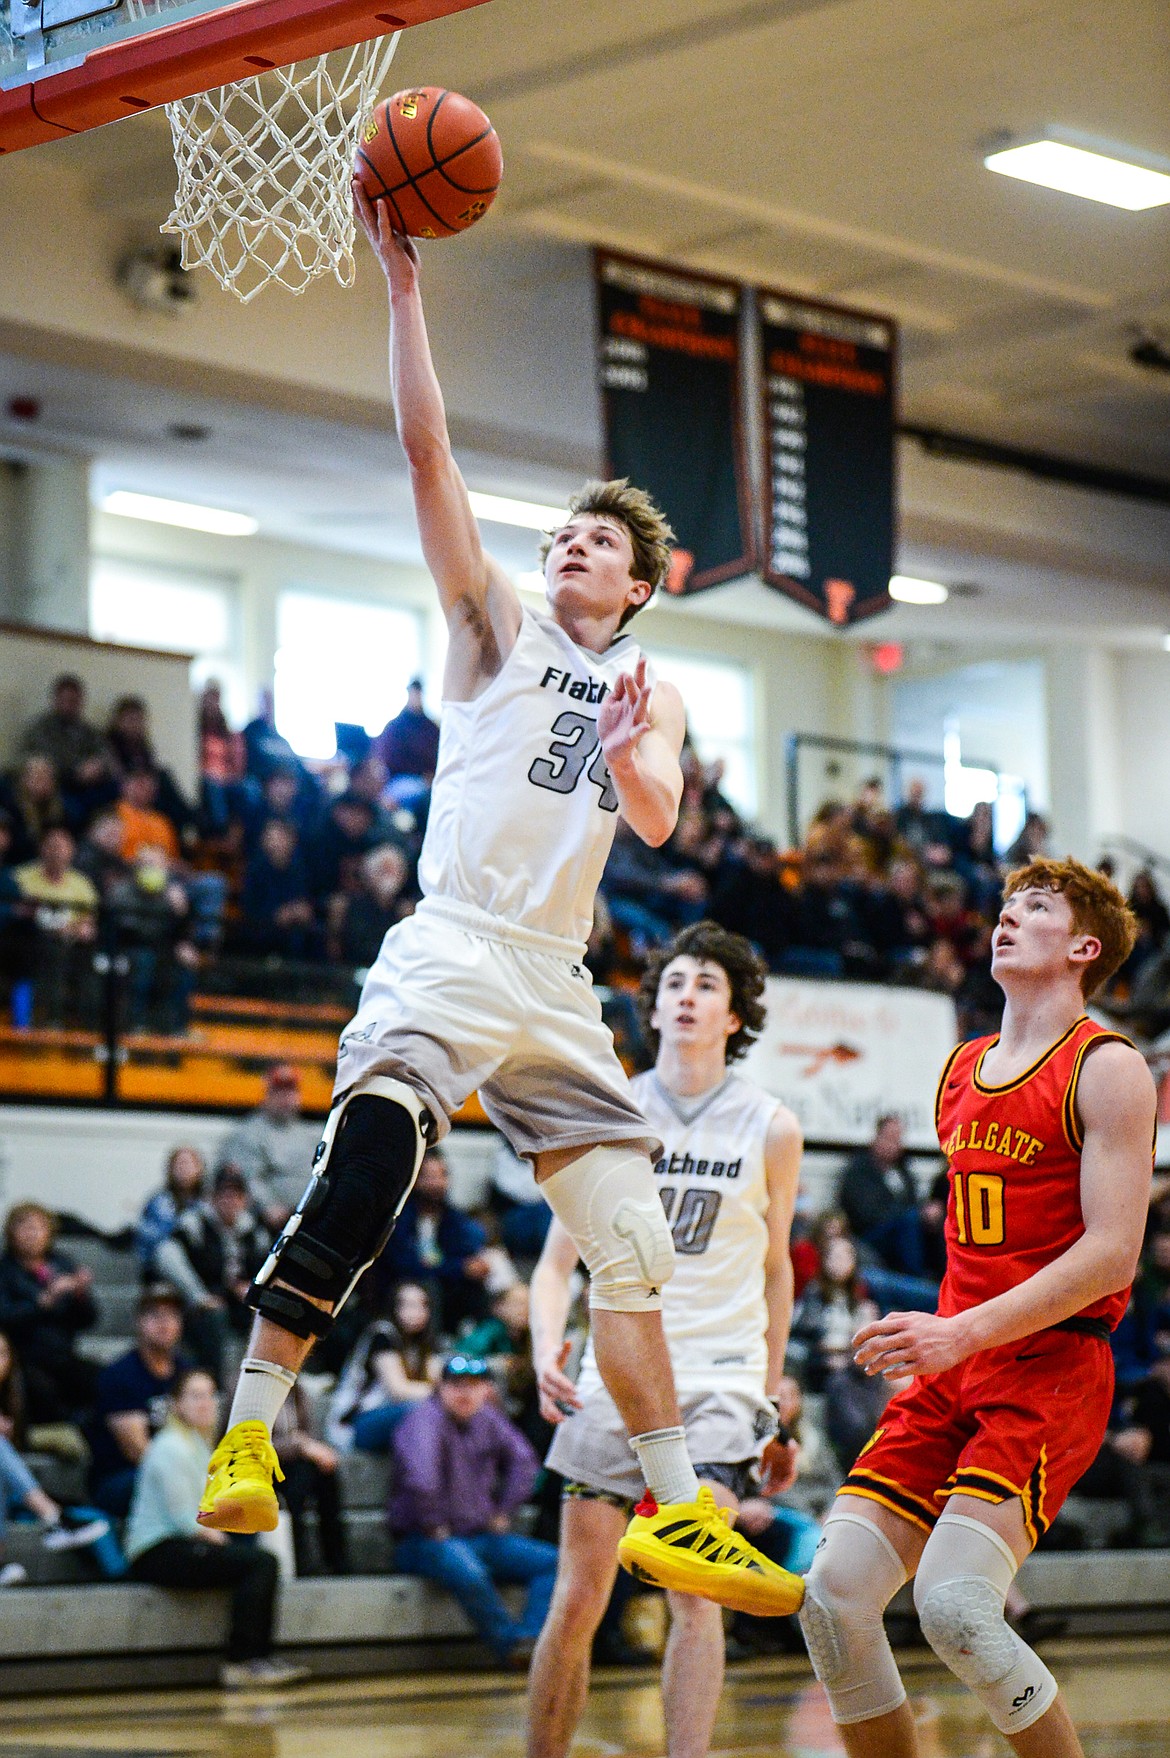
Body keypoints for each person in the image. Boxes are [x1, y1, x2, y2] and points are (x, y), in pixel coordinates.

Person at [196, 190, 802, 1621]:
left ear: (642, 584)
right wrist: (401, 286)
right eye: (564, 537)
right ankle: (244, 1426)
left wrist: (629, 747)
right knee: (372, 1161)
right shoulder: (490, 629)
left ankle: (674, 1510)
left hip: (555, 982)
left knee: (633, 1244)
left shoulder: (648, 692)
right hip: (453, 945)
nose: (569, 549)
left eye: (598, 544)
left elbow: (656, 816)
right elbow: (426, 449)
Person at [799, 858, 1156, 1758]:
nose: (1006, 919)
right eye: (1003, 907)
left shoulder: (1108, 1068)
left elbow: (1112, 1253)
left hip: (1050, 1367)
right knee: (833, 1598)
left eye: (1034, 909)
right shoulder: (961, 1069)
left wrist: (959, 1329)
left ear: (1082, 947)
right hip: (954, 1364)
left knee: (955, 1607)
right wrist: (945, 1332)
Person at [527, 921, 804, 1758]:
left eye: (707, 985)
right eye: (674, 982)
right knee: (578, 1599)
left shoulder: (771, 1125)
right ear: (652, 1008)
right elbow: (552, 1264)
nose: (686, 994)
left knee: (693, 1588)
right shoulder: (608, 1109)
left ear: (734, 1015)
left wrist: (770, 1400)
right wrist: (547, 1347)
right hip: (616, 1373)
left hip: (718, 1381)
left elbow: (778, 1273)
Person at [125, 1368, 307, 1689]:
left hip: (179, 1543)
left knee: (256, 1551)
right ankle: (243, 1661)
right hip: (157, 1551)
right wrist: (225, 1539)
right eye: (195, 1396)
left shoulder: (196, 1444)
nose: (206, 1403)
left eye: (210, 1395)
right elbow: (186, 1519)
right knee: (261, 1563)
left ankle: (256, 1657)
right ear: (177, 1404)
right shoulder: (171, 1447)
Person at [389, 1354, 558, 1664]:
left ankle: (531, 1640)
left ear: (486, 1390)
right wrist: (433, 1522)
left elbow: (525, 1464)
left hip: (479, 1535)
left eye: (474, 1385)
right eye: (456, 1386)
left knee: (553, 1563)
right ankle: (510, 1646)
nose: (465, 1393)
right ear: (440, 1388)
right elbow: (421, 1477)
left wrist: (505, 1509)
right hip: (424, 1540)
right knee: (467, 1568)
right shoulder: (422, 1420)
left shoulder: (489, 1419)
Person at [154, 1167, 271, 1379]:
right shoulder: (195, 1224)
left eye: (236, 1195)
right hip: (201, 1307)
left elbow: (267, 1267)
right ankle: (213, 1384)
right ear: (213, 1198)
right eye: (224, 1195)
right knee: (215, 1317)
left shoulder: (254, 1232)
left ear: (245, 1200)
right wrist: (198, 1295)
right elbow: (165, 1254)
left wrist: (254, 1289)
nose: (230, 1201)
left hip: (242, 1306)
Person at [88, 1285, 191, 1517]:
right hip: (121, 1478)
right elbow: (136, 1450)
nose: (164, 1323)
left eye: (172, 1315)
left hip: (175, 1472)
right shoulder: (120, 1375)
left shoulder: (187, 1373)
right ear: (139, 1322)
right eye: (155, 1315)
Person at [0, 1201, 97, 1425]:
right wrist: (43, 1302)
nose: (32, 1233)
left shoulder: (62, 1263)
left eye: (38, 1227)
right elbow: (4, 1316)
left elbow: (89, 1320)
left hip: (63, 1355)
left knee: (104, 1381)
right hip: (23, 1357)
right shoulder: (5, 1270)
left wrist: (80, 1295)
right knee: (40, 1388)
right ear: (11, 1233)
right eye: (24, 1227)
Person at [378, 1147, 493, 1332]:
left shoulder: (453, 1218)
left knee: (477, 1290)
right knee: (430, 1288)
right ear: (415, 1180)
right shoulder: (398, 1218)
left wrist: (474, 1265)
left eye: (442, 1176)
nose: (437, 1183)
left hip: (446, 1287)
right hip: (402, 1285)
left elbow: (467, 1249)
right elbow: (405, 1264)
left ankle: (475, 1347)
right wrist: (458, 1268)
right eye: (430, 1177)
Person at [325, 1280, 442, 1452]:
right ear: (394, 1307)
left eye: (422, 1305)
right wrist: (447, 1395)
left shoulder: (423, 1343)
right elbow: (399, 1390)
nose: (416, 1312)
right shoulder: (382, 1335)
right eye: (409, 1305)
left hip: (392, 1418)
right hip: (356, 1422)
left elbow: (438, 1380)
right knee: (420, 1411)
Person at [217, 1066, 319, 1232]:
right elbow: (246, 1177)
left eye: (291, 1092)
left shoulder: (310, 1134)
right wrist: (267, 1205)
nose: (286, 1098)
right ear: (267, 1095)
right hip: (265, 1221)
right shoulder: (249, 1132)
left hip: (309, 1217)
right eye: (279, 1092)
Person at [135, 1147, 208, 1270]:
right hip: (163, 1266)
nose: (184, 1169)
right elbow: (147, 1242)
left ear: (199, 1168)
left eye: (188, 1164)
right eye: (179, 1164)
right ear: (170, 1169)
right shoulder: (158, 1202)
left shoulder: (208, 1202)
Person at [375, 677, 440, 789]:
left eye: (418, 694)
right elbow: (388, 759)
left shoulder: (431, 728)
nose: (416, 697)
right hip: (400, 779)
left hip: (430, 779)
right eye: (414, 693)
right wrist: (420, 774)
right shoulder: (395, 727)